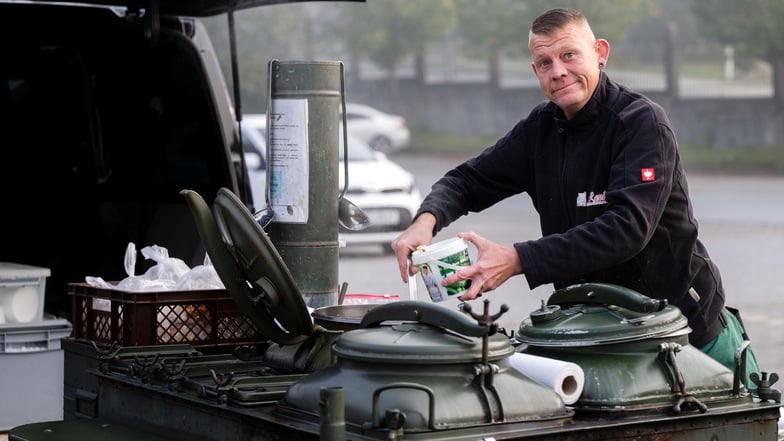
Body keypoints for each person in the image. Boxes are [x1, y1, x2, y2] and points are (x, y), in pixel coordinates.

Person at [391, 7, 760, 387]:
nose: (558, 71)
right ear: (536, 72)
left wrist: (517, 259)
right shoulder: (540, 129)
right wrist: (425, 221)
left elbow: (625, 230)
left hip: (686, 333)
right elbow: (468, 179)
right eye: (544, 62)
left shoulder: (642, 123)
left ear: (599, 52)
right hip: (595, 337)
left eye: (569, 55)